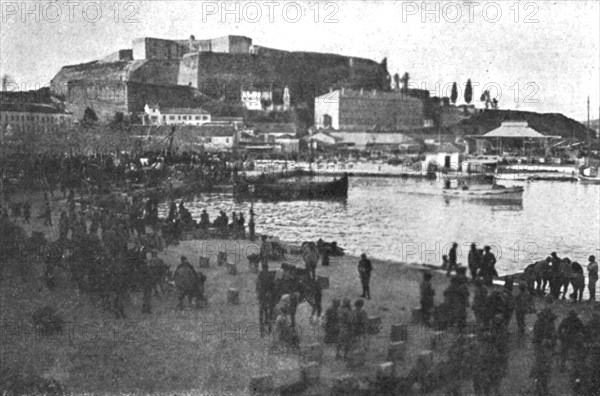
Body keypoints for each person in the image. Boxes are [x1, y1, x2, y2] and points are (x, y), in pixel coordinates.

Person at [531, 296, 557, 396]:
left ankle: (540, 389)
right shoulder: (547, 322)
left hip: (543, 348)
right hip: (544, 348)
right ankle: (541, 390)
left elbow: (536, 335)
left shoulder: (541, 321)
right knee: (543, 370)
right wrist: (547, 341)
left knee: (541, 370)